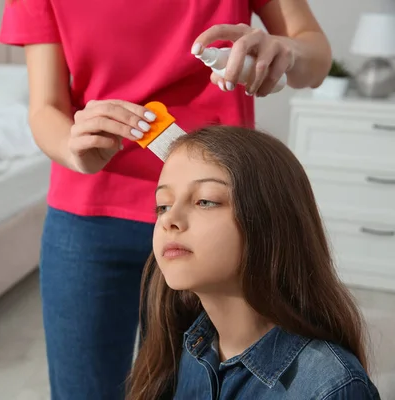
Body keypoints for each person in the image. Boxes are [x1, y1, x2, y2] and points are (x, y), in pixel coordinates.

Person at [0, 0, 331, 398]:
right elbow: (46, 107)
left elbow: (316, 56)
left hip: (215, 215)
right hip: (88, 218)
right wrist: (74, 151)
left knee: (198, 387)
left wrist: (288, 52)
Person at [127, 126, 381, 400]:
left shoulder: (330, 387)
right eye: (162, 205)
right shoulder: (181, 349)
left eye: (205, 201)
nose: (169, 220)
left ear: (270, 222)